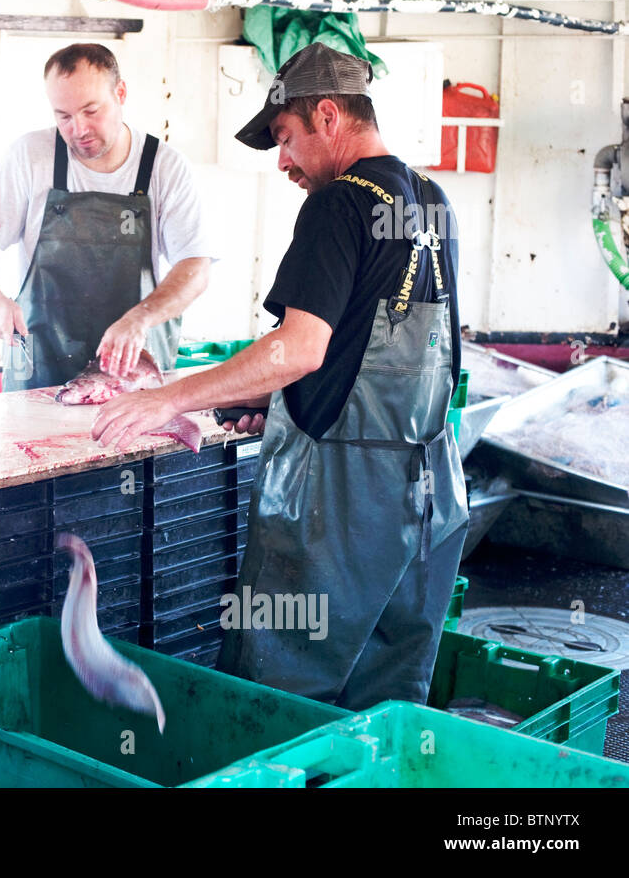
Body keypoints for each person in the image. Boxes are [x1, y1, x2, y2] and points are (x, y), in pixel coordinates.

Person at [92, 43, 469, 710]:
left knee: (278, 705)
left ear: (329, 115)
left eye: (287, 139)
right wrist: (287, 401)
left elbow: (300, 346)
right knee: (383, 708)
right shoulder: (432, 202)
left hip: (340, 511)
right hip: (428, 500)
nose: (284, 162)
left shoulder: (339, 205)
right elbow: (384, 348)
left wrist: (163, 399)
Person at [0, 43, 217, 390]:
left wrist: (140, 319)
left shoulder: (164, 167)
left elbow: (196, 266)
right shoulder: (30, 156)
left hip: (130, 378)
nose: (78, 129)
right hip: (40, 374)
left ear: (120, 93)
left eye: (91, 111)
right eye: (63, 116)